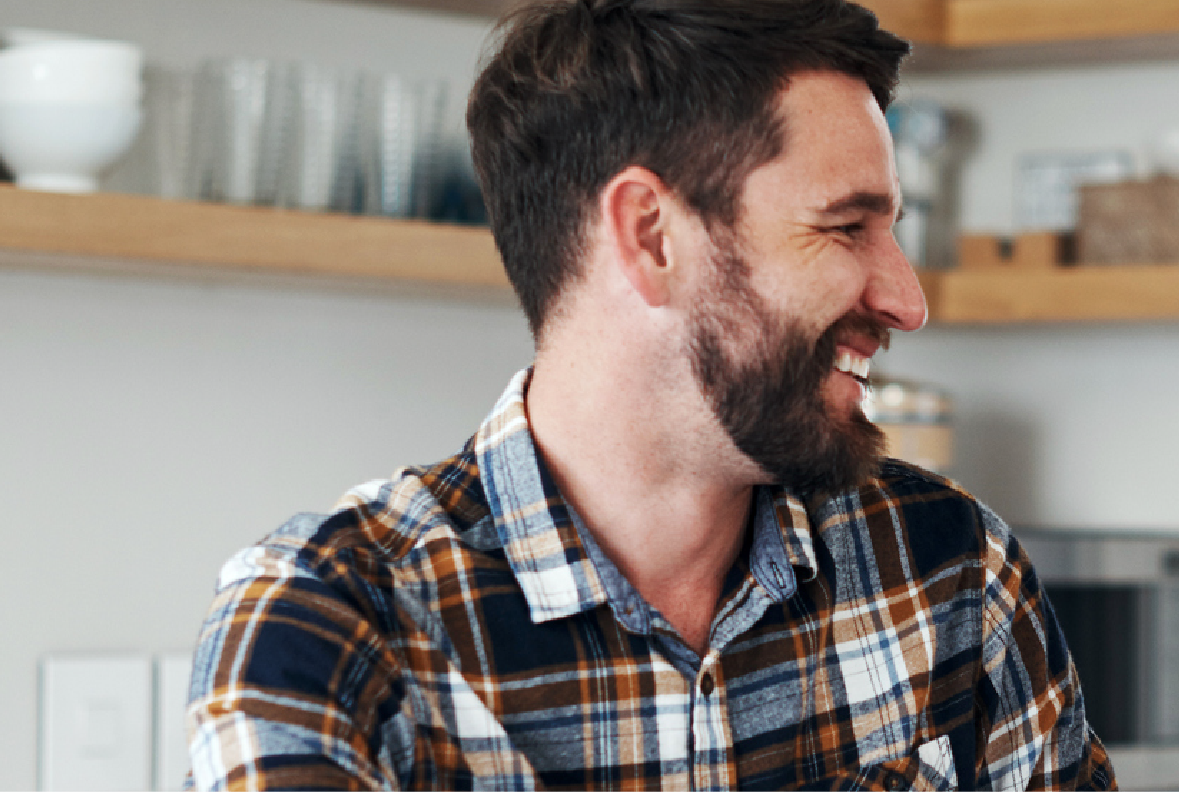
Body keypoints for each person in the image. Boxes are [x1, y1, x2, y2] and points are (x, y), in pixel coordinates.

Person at [184, 1, 1114, 790]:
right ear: (651, 236)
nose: (907, 301)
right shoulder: (331, 626)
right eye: (845, 228)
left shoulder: (952, 569)